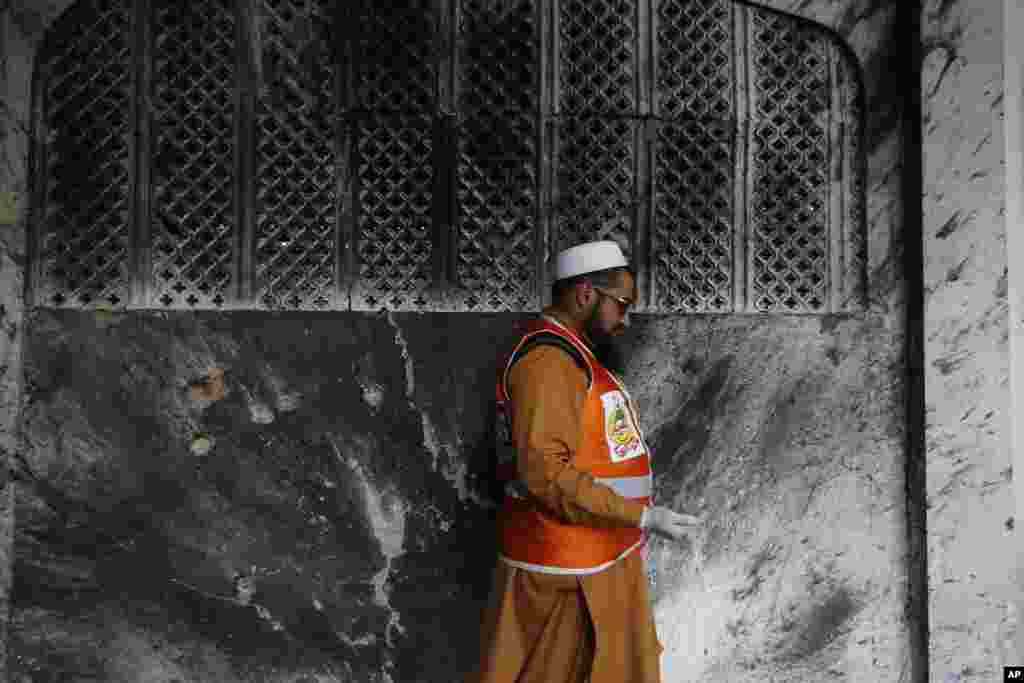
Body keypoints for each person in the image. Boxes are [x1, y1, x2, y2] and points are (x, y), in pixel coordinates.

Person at [470, 240, 702, 683]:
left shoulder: (572, 356)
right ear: (585, 294)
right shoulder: (548, 363)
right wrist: (644, 517)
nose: (626, 319)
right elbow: (546, 474)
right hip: (565, 571)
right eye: (622, 305)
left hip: (592, 563)